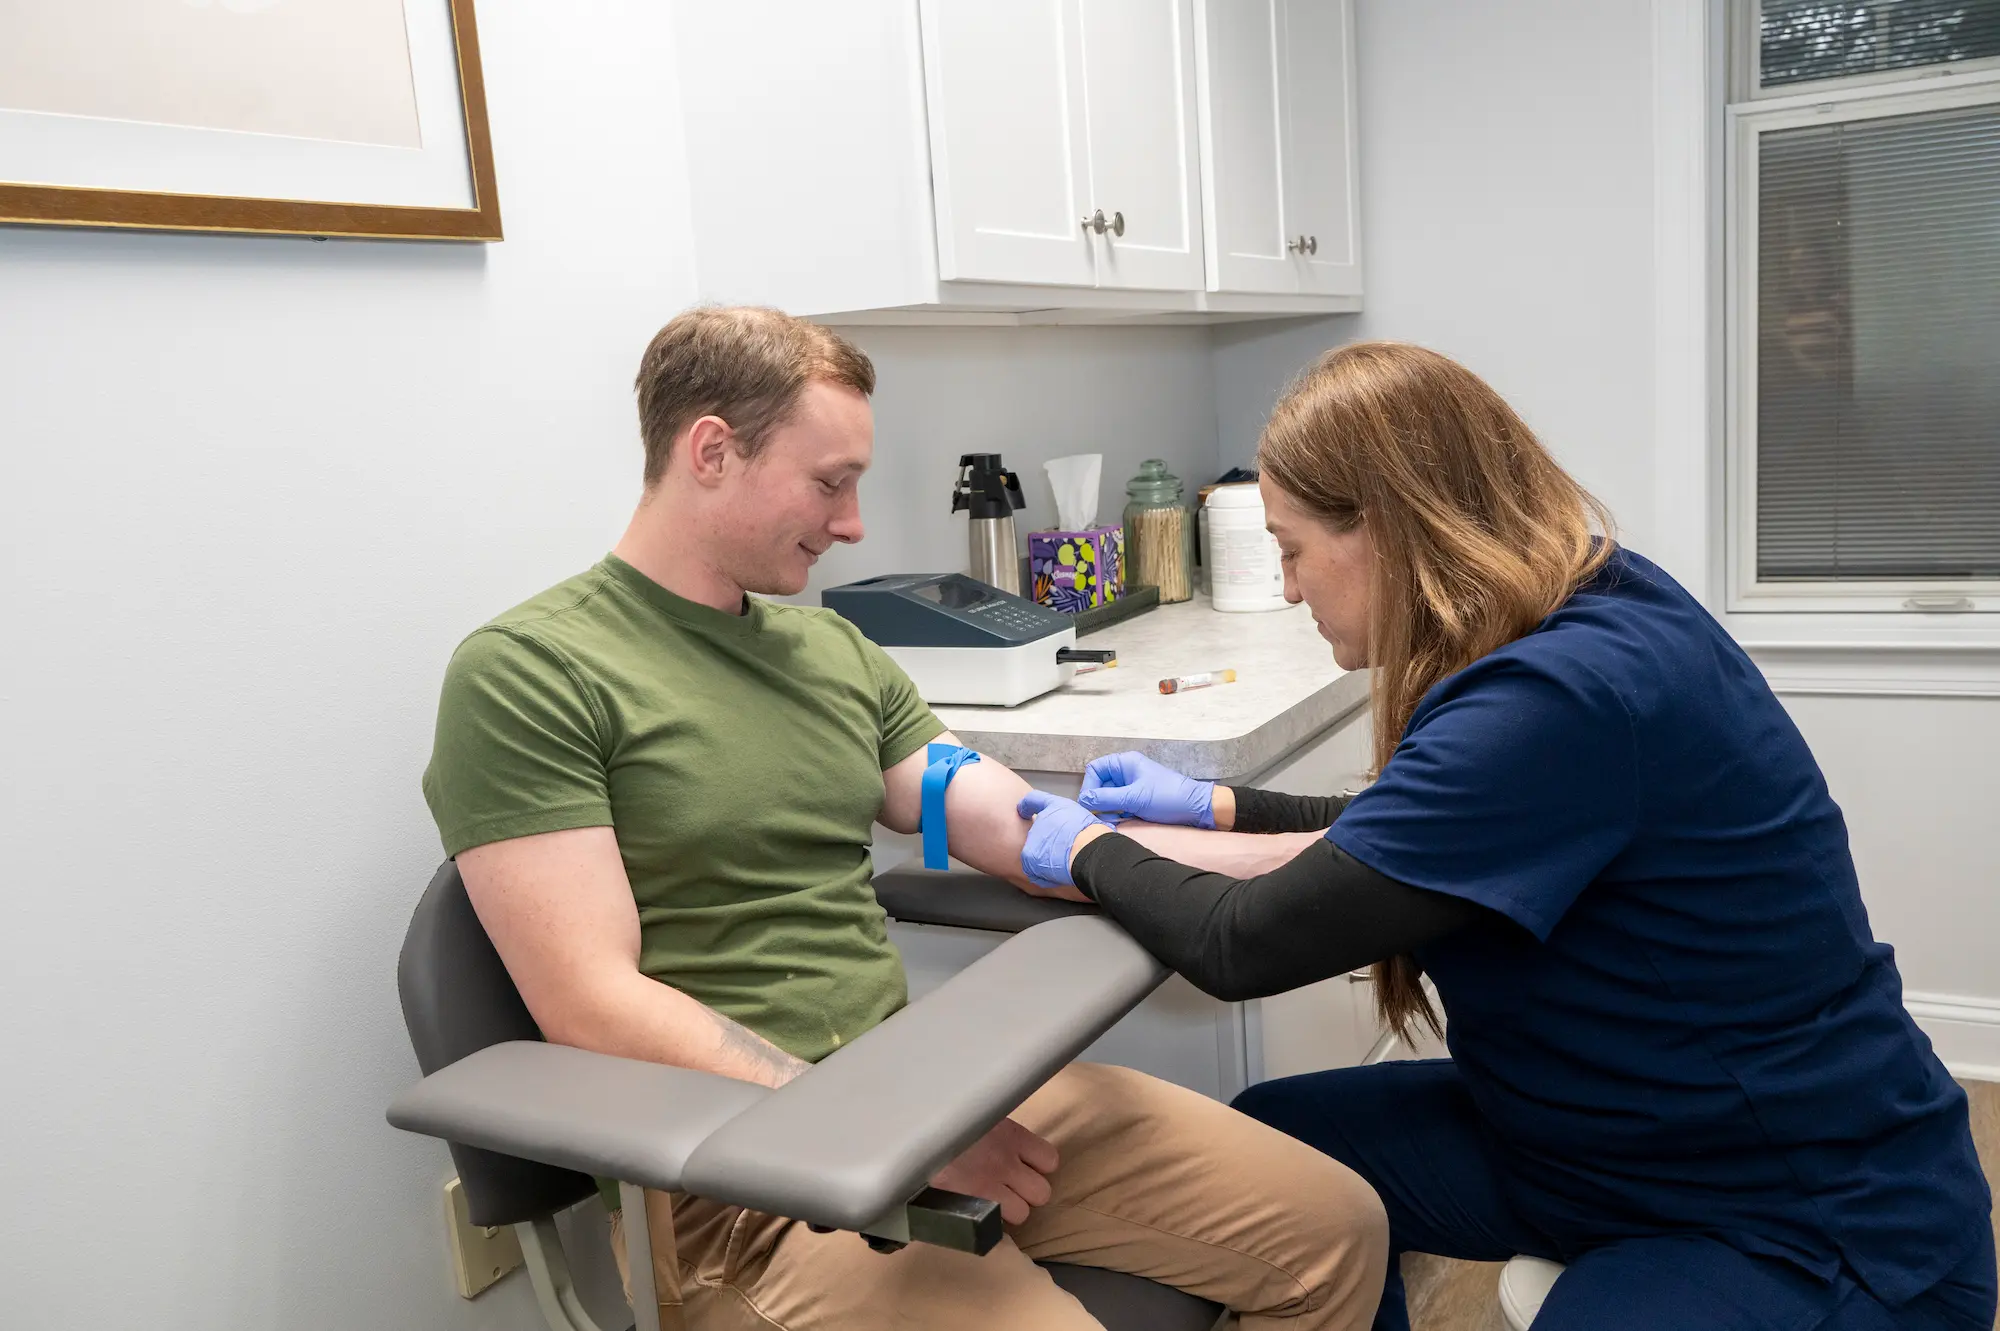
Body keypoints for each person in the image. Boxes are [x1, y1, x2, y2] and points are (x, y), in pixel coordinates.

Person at [420, 305, 1389, 1330]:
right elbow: (591, 1003)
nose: (851, 524)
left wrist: (1303, 847)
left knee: (1335, 1227)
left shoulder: (829, 653)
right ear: (710, 450)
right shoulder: (531, 674)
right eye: (828, 482)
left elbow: (1016, 826)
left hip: (921, 1097)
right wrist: (876, 1127)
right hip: (735, 1181)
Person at [1013, 342, 1997, 1331]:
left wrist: (1082, 848)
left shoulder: (1560, 695)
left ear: (1387, 528)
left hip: (1802, 1220)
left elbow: (1245, 940)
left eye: (1292, 546)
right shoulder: (1578, 600)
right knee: (1280, 1162)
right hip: (1605, 1145)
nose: (1286, 586)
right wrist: (1222, 808)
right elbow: (1429, 837)